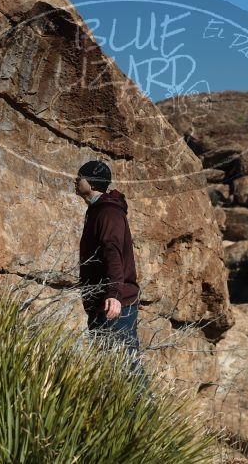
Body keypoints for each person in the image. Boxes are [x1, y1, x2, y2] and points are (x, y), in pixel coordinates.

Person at [74, 160, 145, 380]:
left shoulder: (108, 212)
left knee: (128, 371)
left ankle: (143, 413)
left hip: (114, 305)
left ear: (92, 182)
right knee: (108, 373)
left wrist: (114, 294)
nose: (76, 180)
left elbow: (112, 253)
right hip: (101, 302)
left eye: (80, 177)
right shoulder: (97, 210)